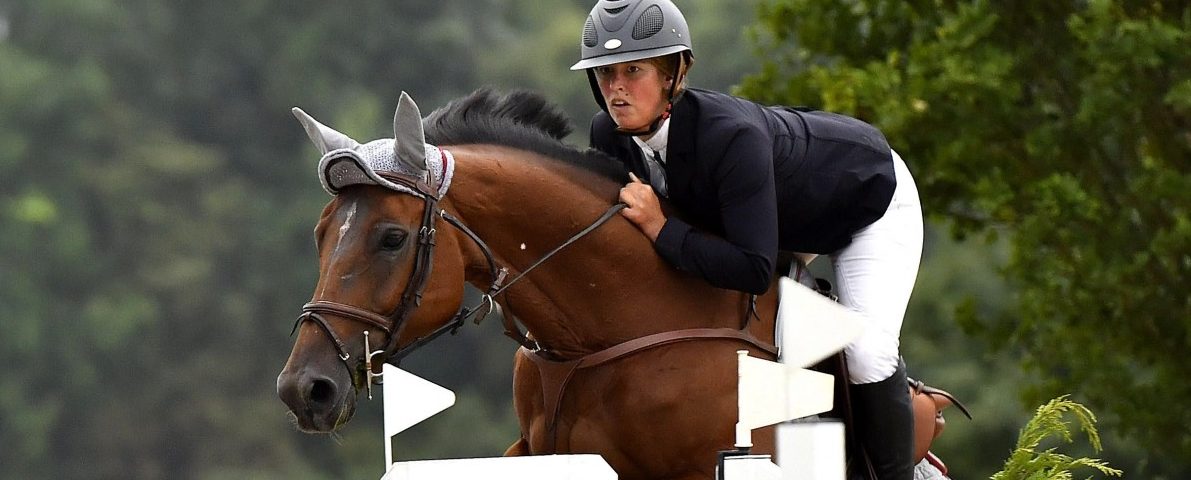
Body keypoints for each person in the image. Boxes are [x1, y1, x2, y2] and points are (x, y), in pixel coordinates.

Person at [570, 1, 924, 479]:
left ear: (675, 72)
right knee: (778, 330)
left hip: (867, 199)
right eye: (605, 73)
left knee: (866, 351)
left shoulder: (729, 137)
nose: (616, 88)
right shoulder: (608, 136)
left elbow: (753, 269)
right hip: (774, 218)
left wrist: (661, 227)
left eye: (634, 70)